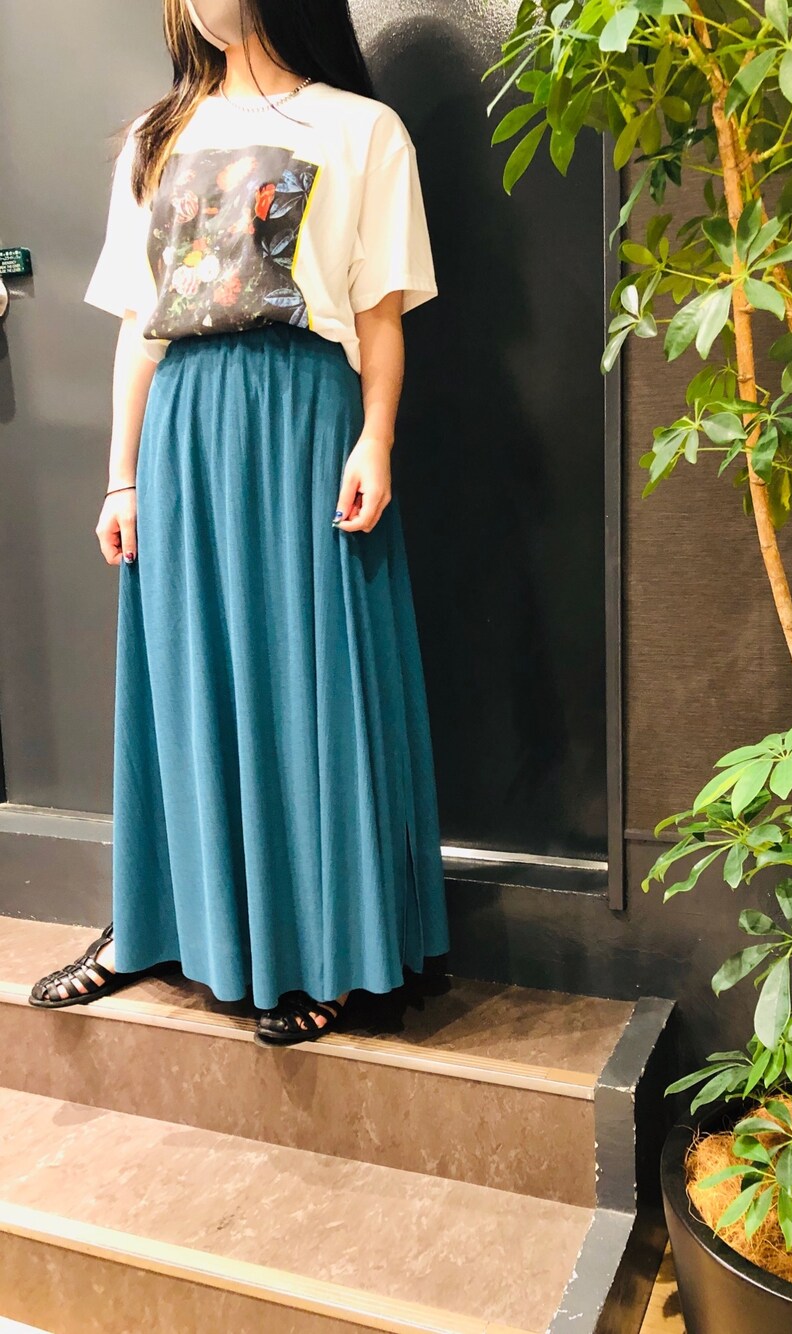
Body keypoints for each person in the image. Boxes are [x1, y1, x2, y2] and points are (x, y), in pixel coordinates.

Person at [28, 0, 451, 1046]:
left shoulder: (360, 129)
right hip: (183, 427)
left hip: (303, 416)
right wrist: (120, 479)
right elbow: (140, 324)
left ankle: (331, 952)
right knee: (183, 676)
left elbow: (379, 316)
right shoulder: (155, 136)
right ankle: (157, 927)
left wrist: (376, 439)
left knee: (313, 676)